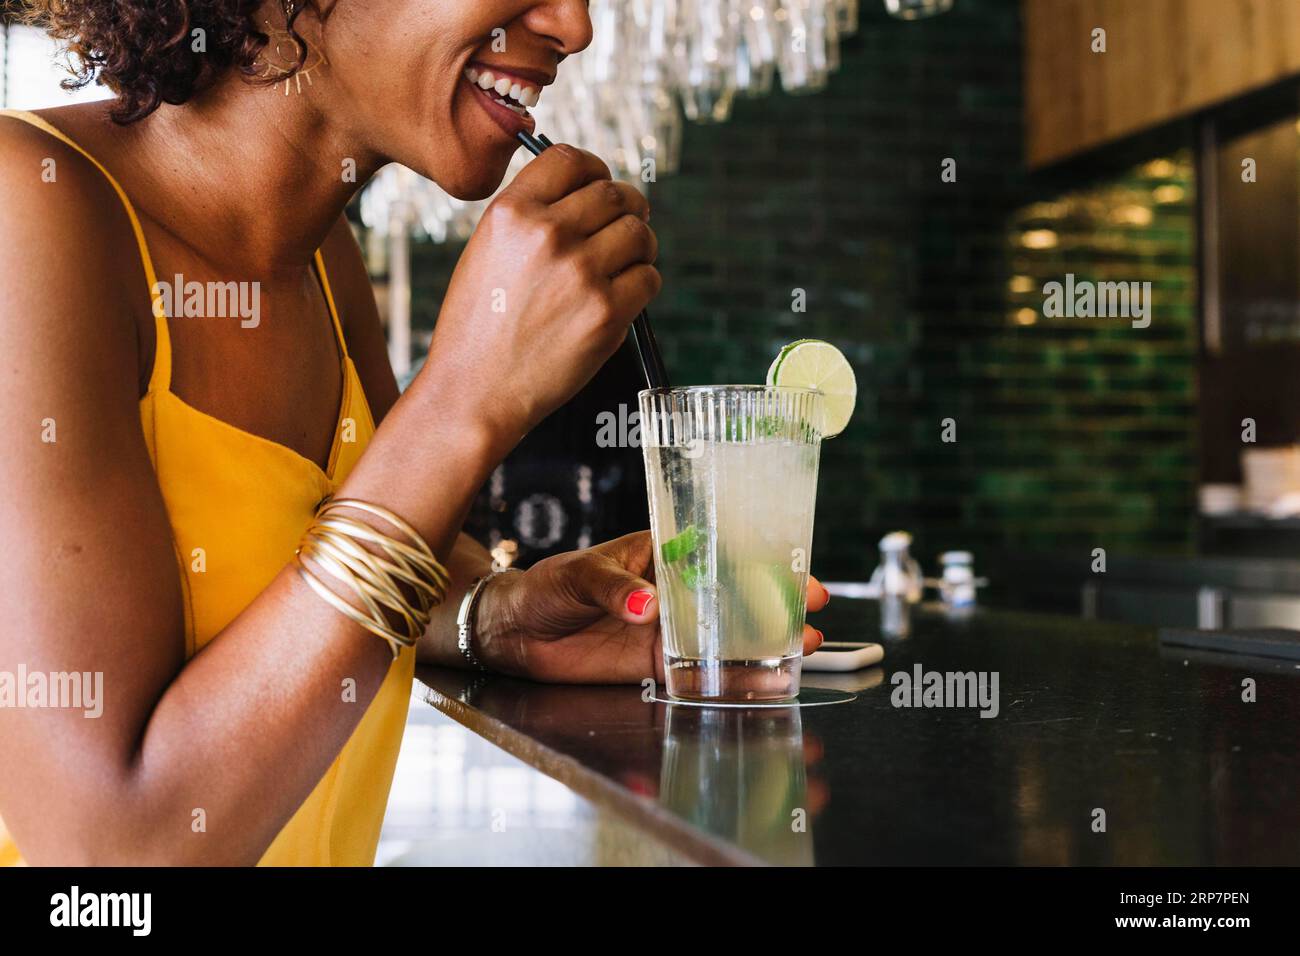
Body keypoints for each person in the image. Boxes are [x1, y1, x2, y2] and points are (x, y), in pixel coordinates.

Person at [0, 0, 828, 866]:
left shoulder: (324, 260)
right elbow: (110, 853)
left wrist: (500, 615)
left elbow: (317, 563)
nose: (575, 27)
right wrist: (465, 399)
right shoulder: (30, 206)